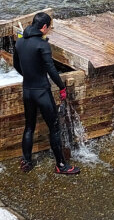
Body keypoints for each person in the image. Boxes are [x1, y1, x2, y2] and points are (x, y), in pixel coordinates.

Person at [12, 12, 80, 175]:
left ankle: (26, 161)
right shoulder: (42, 45)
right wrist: (61, 87)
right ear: (43, 27)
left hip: (27, 90)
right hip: (42, 91)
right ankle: (61, 165)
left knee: (29, 126)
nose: (49, 30)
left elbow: (16, 65)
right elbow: (51, 69)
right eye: (49, 27)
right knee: (54, 128)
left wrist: (28, 76)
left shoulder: (20, 42)